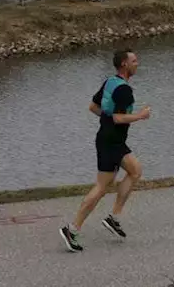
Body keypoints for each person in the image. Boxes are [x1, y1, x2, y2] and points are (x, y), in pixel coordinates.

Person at [60, 49, 151, 252]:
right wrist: (140, 116)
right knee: (101, 187)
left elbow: (93, 106)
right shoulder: (125, 91)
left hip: (110, 139)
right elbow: (119, 118)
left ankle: (113, 217)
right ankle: (72, 229)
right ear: (124, 65)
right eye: (134, 61)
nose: (138, 63)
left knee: (135, 170)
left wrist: (107, 118)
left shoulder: (111, 82)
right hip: (111, 142)